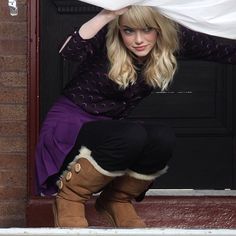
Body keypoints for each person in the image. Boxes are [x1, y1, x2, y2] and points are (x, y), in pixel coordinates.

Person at [35, 6, 236, 228]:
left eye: (147, 30)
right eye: (128, 31)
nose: (138, 40)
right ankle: (70, 197)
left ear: (159, 30)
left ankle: (116, 199)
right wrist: (108, 14)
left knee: (162, 137)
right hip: (70, 129)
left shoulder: (173, 40)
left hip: (110, 132)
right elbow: (69, 52)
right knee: (131, 135)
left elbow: (222, 52)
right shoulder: (107, 39)